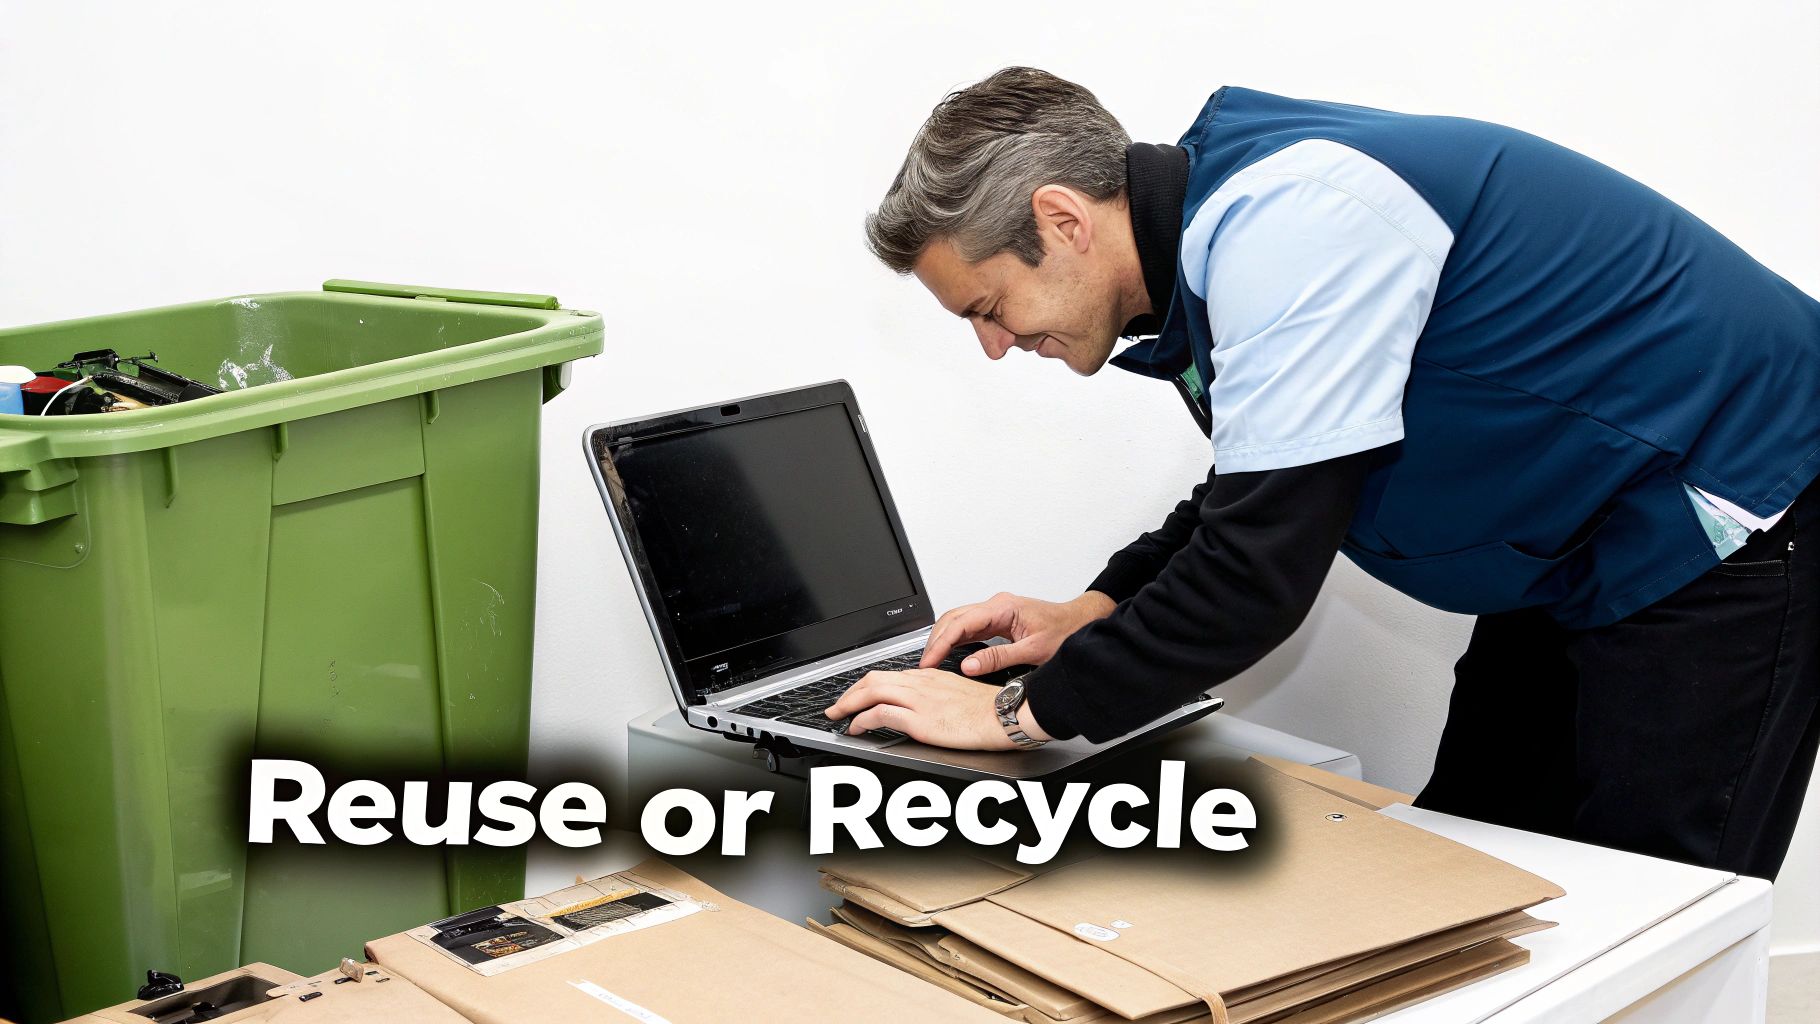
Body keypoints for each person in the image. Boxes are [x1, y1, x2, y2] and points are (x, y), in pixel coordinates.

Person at [823, 67, 1820, 879]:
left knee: (1661, 905)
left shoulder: (1289, 227)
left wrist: (1014, 713)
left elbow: (1255, 574)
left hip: (1725, 506)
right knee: (1482, 871)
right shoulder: (1223, 232)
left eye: (985, 305)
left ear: (1062, 219)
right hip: (1579, 536)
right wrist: (1096, 605)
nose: (994, 344)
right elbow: (1259, 485)